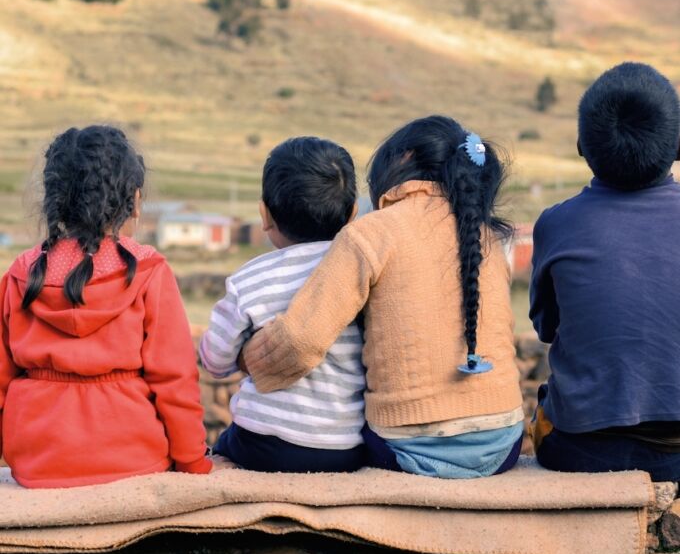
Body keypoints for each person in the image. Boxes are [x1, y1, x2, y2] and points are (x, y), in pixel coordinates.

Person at [243, 116, 524, 478]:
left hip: (408, 450)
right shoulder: (488, 237)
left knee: (334, 436)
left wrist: (248, 358)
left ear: (403, 159)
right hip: (504, 444)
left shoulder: (370, 234)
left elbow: (300, 339)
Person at [0, 125, 211, 488]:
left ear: (54, 198)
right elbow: (175, 379)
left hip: (37, 465)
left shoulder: (20, 274)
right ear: (135, 199)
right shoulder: (150, 269)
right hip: (135, 458)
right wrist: (192, 460)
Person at [529, 62, 680, 481]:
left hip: (579, 451)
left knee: (543, 406)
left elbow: (547, 328)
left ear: (581, 145)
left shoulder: (557, 224)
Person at [200, 137, 366, 472]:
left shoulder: (250, 278)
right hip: (347, 446)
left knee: (219, 449)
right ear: (352, 214)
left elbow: (215, 362)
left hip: (263, 444)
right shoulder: (364, 274)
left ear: (264, 214)